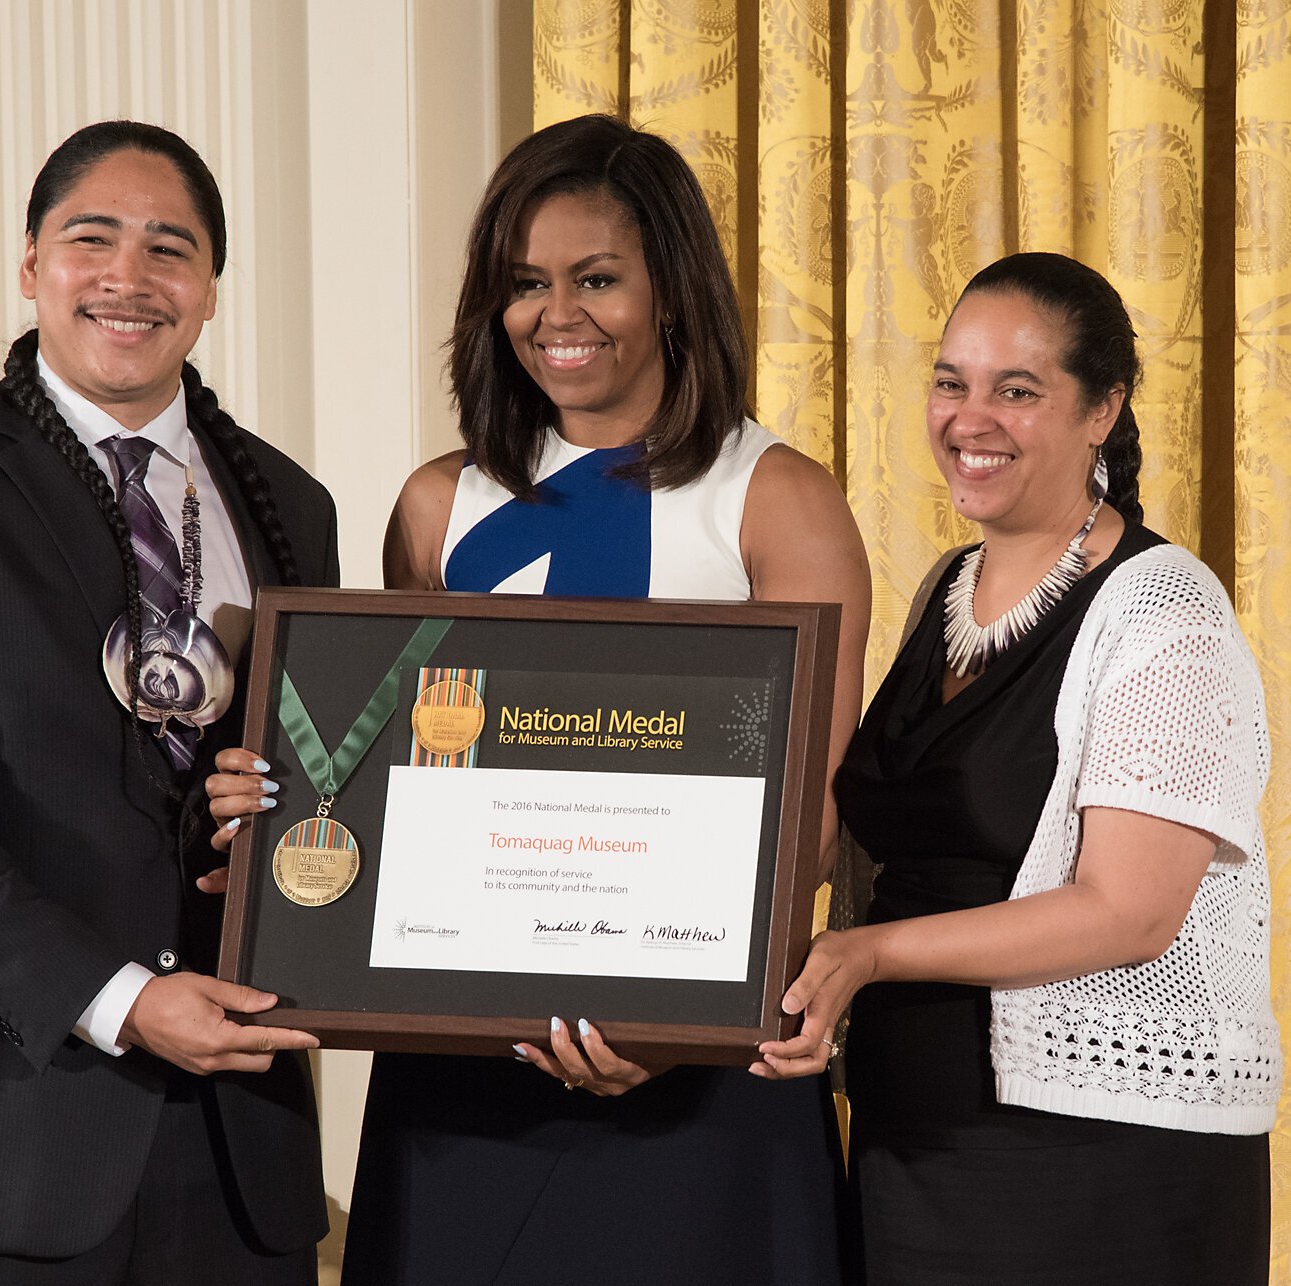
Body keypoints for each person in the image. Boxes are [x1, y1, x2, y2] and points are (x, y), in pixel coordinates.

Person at [0, 121, 336, 1284]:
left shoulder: (289, 499)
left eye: (170, 249)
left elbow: (320, 775)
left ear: (211, 291)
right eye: (93, 238)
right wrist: (124, 1000)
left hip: (241, 1141)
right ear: (32, 262)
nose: (129, 278)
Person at [335, 113, 872, 1284]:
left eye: (596, 278)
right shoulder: (438, 505)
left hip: (703, 1081)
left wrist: (668, 1034)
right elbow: (404, 787)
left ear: (672, 291)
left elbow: (811, 826)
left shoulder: (775, 497)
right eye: (525, 282)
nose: (555, 315)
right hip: (467, 1072)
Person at [755, 252, 1280, 1283]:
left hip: (1096, 1163)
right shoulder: (947, 590)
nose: (969, 416)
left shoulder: (1163, 612)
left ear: (1104, 409)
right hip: (916, 1143)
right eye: (951, 381)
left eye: (1017, 389)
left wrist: (865, 954)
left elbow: (1128, 911)